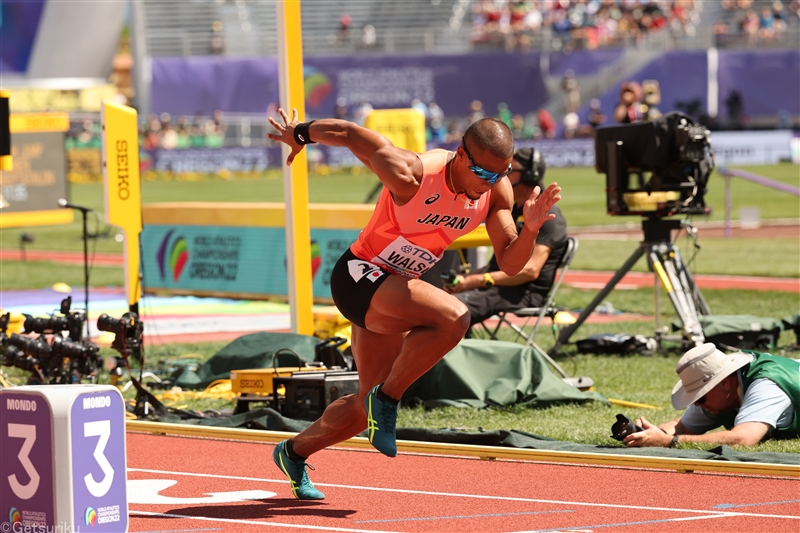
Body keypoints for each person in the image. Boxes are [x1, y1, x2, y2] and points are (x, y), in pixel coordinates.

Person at [266, 107, 561, 500]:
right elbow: (352, 134)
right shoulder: (413, 174)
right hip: (359, 276)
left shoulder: (495, 193)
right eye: (484, 173)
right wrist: (301, 134)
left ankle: (293, 451)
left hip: (395, 290)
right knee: (455, 317)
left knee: (359, 411)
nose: (491, 182)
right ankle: (388, 399)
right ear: (460, 156)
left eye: (502, 173)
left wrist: (532, 229)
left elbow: (510, 261)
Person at [443, 147, 567, 332]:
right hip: (497, 286)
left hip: (520, 292)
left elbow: (530, 270)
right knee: (439, 301)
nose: (500, 177)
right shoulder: (514, 210)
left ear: (528, 176)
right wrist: (466, 279)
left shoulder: (547, 216)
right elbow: (498, 265)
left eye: (509, 171)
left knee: (445, 312)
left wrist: (475, 281)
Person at [624, 343, 800, 448]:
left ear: (723, 382)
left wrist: (670, 441)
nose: (698, 404)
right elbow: (683, 427)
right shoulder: (724, 391)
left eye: (700, 397)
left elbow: (744, 438)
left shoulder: (766, 385)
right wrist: (650, 434)